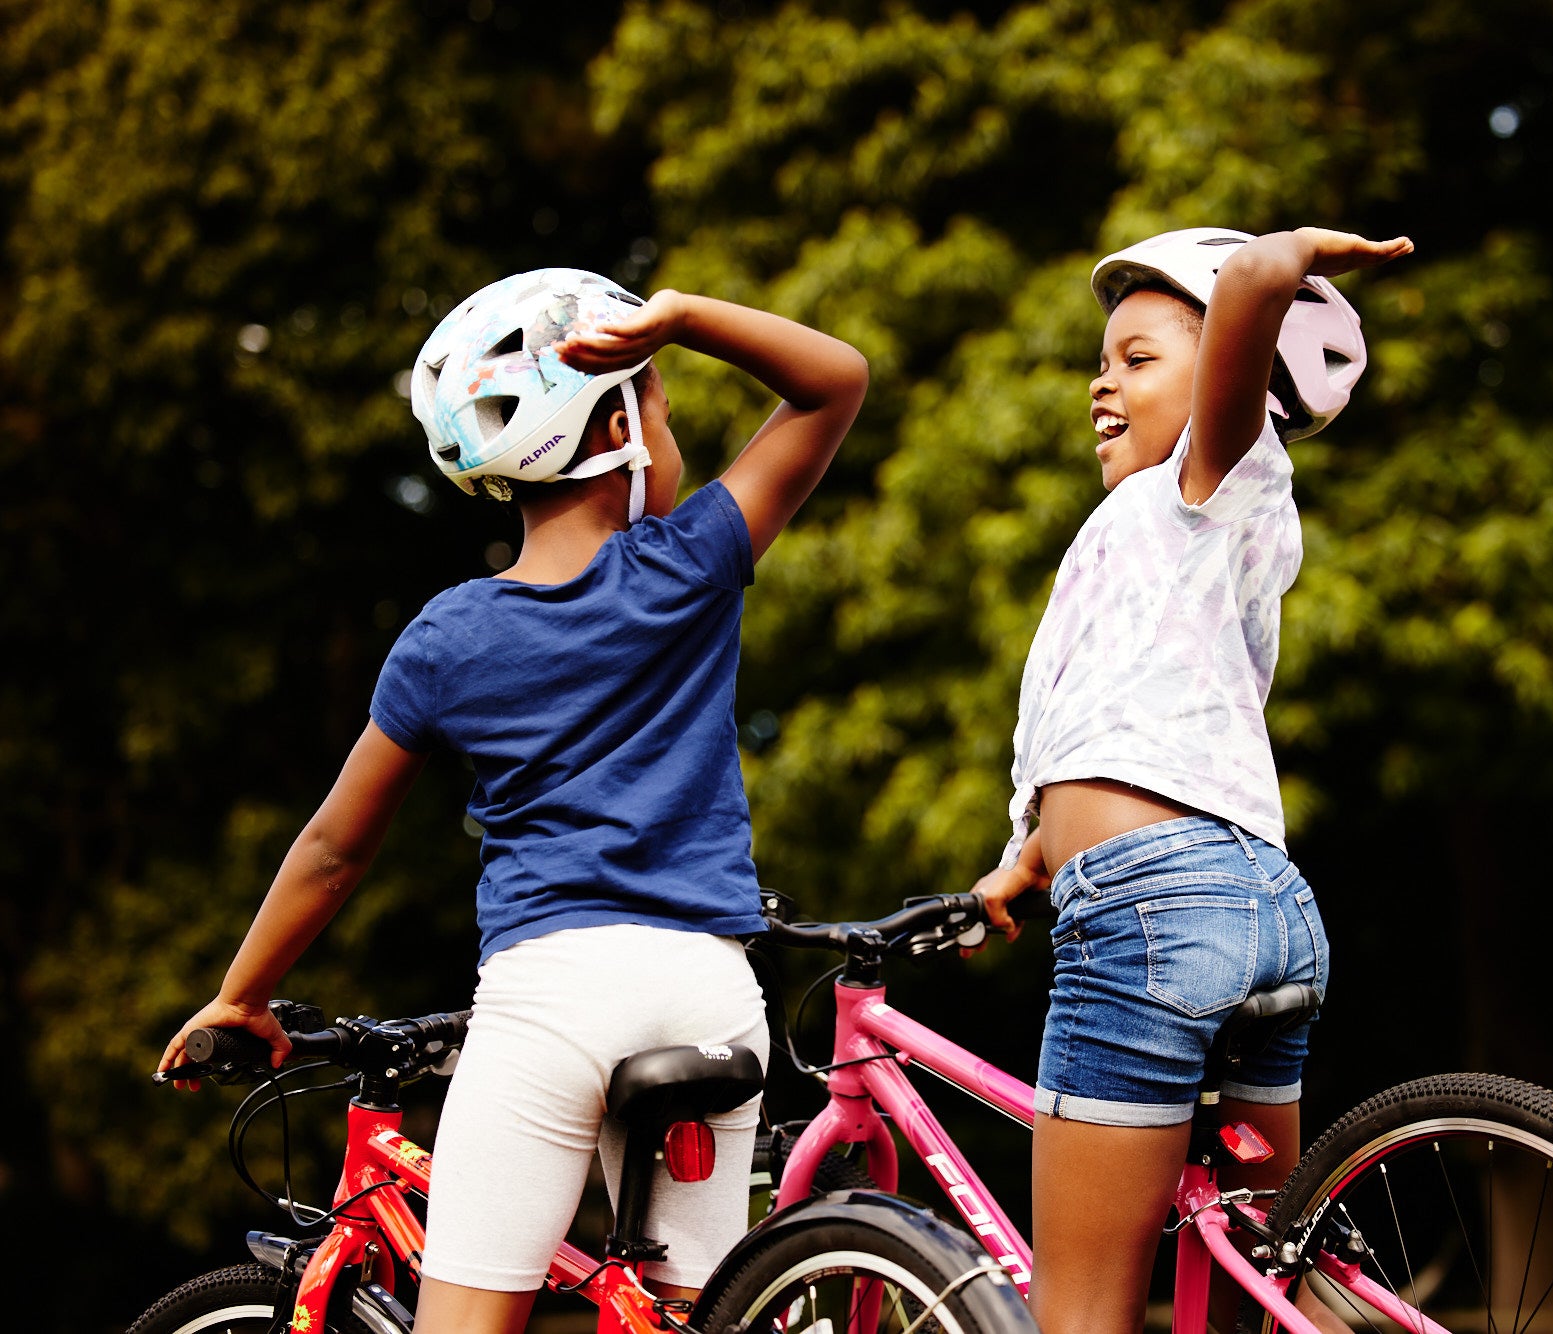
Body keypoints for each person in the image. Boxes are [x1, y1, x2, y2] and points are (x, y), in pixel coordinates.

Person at [157, 269, 868, 1334]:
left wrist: (241, 994)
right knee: (694, 1314)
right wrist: (681, 316)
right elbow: (834, 381)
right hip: (710, 987)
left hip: (554, 994)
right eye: (660, 403)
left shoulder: (447, 638)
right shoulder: (691, 565)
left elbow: (333, 848)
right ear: (618, 423)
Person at [972, 227, 1412, 1334]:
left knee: (1077, 1313)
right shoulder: (1159, 532)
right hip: (1260, 902)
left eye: (1136, 356)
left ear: (1228, 370)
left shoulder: (1210, 476)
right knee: (1246, 1291)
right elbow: (1115, 716)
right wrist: (1024, 852)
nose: (1099, 379)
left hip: (1152, 911)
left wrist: (1282, 258)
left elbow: (1250, 305)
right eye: (1102, 359)